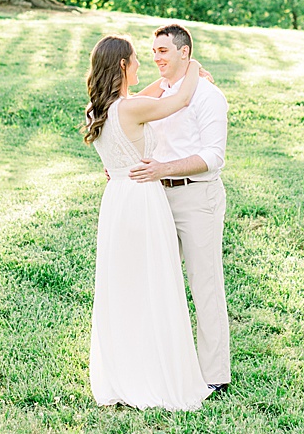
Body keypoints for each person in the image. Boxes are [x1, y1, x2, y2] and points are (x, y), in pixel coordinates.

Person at [81, 33, 210, 411]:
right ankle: (153, 373)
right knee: (152, 282)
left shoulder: (97, 110)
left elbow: (149, 95)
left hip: (117, 201)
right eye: (136, 59)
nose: (142, 64)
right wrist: (193, 68)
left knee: (124, 287)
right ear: (123, 65)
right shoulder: (130, 109)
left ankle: (125, 370)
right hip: (142, 200)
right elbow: (179, 100)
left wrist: (169, 79)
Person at [130, 24, 230, 394]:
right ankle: (163, 364)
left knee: (205, 285)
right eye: (153, 51)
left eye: (163, 51)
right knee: (158, 281)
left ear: (184, 53)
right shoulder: (165, 93)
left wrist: (164, 169)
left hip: (197, 198)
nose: (156, 57)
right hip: (158, 197)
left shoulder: (209, 96)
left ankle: (214, 375)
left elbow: (212, 157)